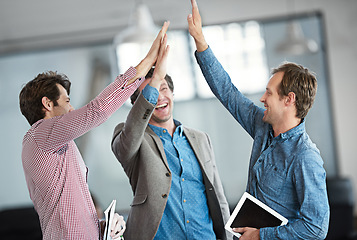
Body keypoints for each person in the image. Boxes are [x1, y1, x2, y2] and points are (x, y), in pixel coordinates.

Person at [187, 0, 330, 239]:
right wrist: (201, 41)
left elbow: (316, 228)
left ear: (289, 99)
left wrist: (261, 236)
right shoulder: (263, 127)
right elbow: (228, 92)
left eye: (270, 93)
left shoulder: (305, 157)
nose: (262, 98)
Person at [19, 21, 170, 240]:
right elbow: (96, 111)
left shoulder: (60, 143)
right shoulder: (40, 134)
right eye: (67, 101)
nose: (71, 108)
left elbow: (68, 213)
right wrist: (146, 63)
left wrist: (101, 227)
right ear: (48, 104)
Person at [111, 28, 232, 240]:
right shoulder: (130, 138)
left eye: (163, 87)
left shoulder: (200, 139)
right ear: (139, 105)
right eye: (152, 91)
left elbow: (218, 197)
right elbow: (129, 139)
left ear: (173, 93)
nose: (159, 96)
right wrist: (156, 76)